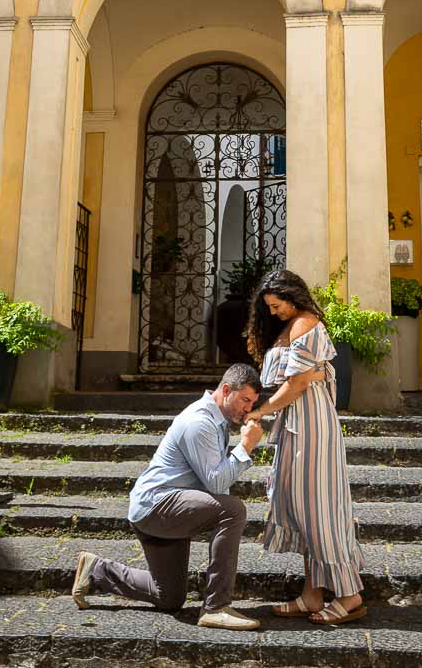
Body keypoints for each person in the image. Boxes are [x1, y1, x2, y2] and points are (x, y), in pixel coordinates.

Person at [71, 363, 265, 630]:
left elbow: (215, 486)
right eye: (245, 400)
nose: (247, 408)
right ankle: (216, 606)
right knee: (233, 509)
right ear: (226, 389)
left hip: (160, 509)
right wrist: (246, 446)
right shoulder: (199, 421)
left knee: (169, 597)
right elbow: (217, 483)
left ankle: (96, 570)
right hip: (157, 505)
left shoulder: (216, 422)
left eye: (252, 402)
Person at [245, 269, 366, 626]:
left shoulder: (306, 323)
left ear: (292, 296)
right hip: (296, 422)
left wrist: (262, 410)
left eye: (277, 305)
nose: (273, 312)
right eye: (268, 307)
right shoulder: (291, 326)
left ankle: (349, 594)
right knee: (301, 508)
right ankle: (313, 595)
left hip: (311, 424)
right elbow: (302, 377)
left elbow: (297, 383)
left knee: (319, 510)